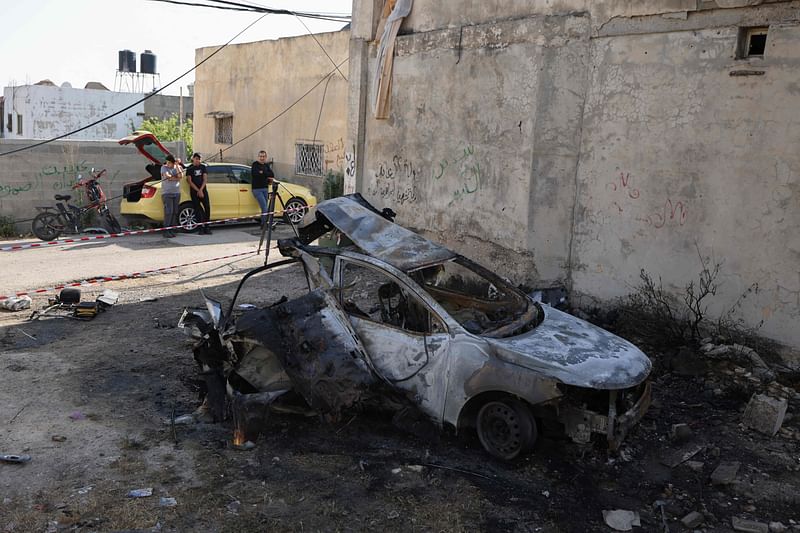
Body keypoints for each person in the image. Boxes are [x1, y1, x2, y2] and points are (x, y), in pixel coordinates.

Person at [185, 152, 212, 235]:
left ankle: (207, 227)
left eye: (199, 159)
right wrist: (198, 191)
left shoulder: (203, 167)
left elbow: (205, 179)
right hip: (194, 192)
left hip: (203, 191)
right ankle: (200, 228)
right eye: (196, 158)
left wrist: (201, 190)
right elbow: (189, 181)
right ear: (193, 158)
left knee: (207, 207)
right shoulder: (190, 168)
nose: (197, 160)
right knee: (197, 210)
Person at [160, 155, 184, 238]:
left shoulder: (178, 167)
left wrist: (177, 165)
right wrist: (176, 178)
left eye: (169, 162)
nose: (167, 163)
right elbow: (168, 177)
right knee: (168, 212)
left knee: (174, 211)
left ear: (173, 163)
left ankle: (172, 229)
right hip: (167, 193)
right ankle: (166, 230)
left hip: (176, 193)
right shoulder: (164, 168)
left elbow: (181, 176)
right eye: (167, 162)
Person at [250, 150, 274, 227]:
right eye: (260, 156)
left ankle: (264, 223)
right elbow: (255, 174)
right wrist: (265, 174)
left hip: (265, 188)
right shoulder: (255, 164)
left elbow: (272, 174)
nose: (262, 158)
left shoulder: (266, 165)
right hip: (257, 189)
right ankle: (263, 224)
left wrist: (263, 172)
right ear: (258, 157)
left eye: (263, 156)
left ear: (265, 157)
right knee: (264, 207)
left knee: (265, 207)